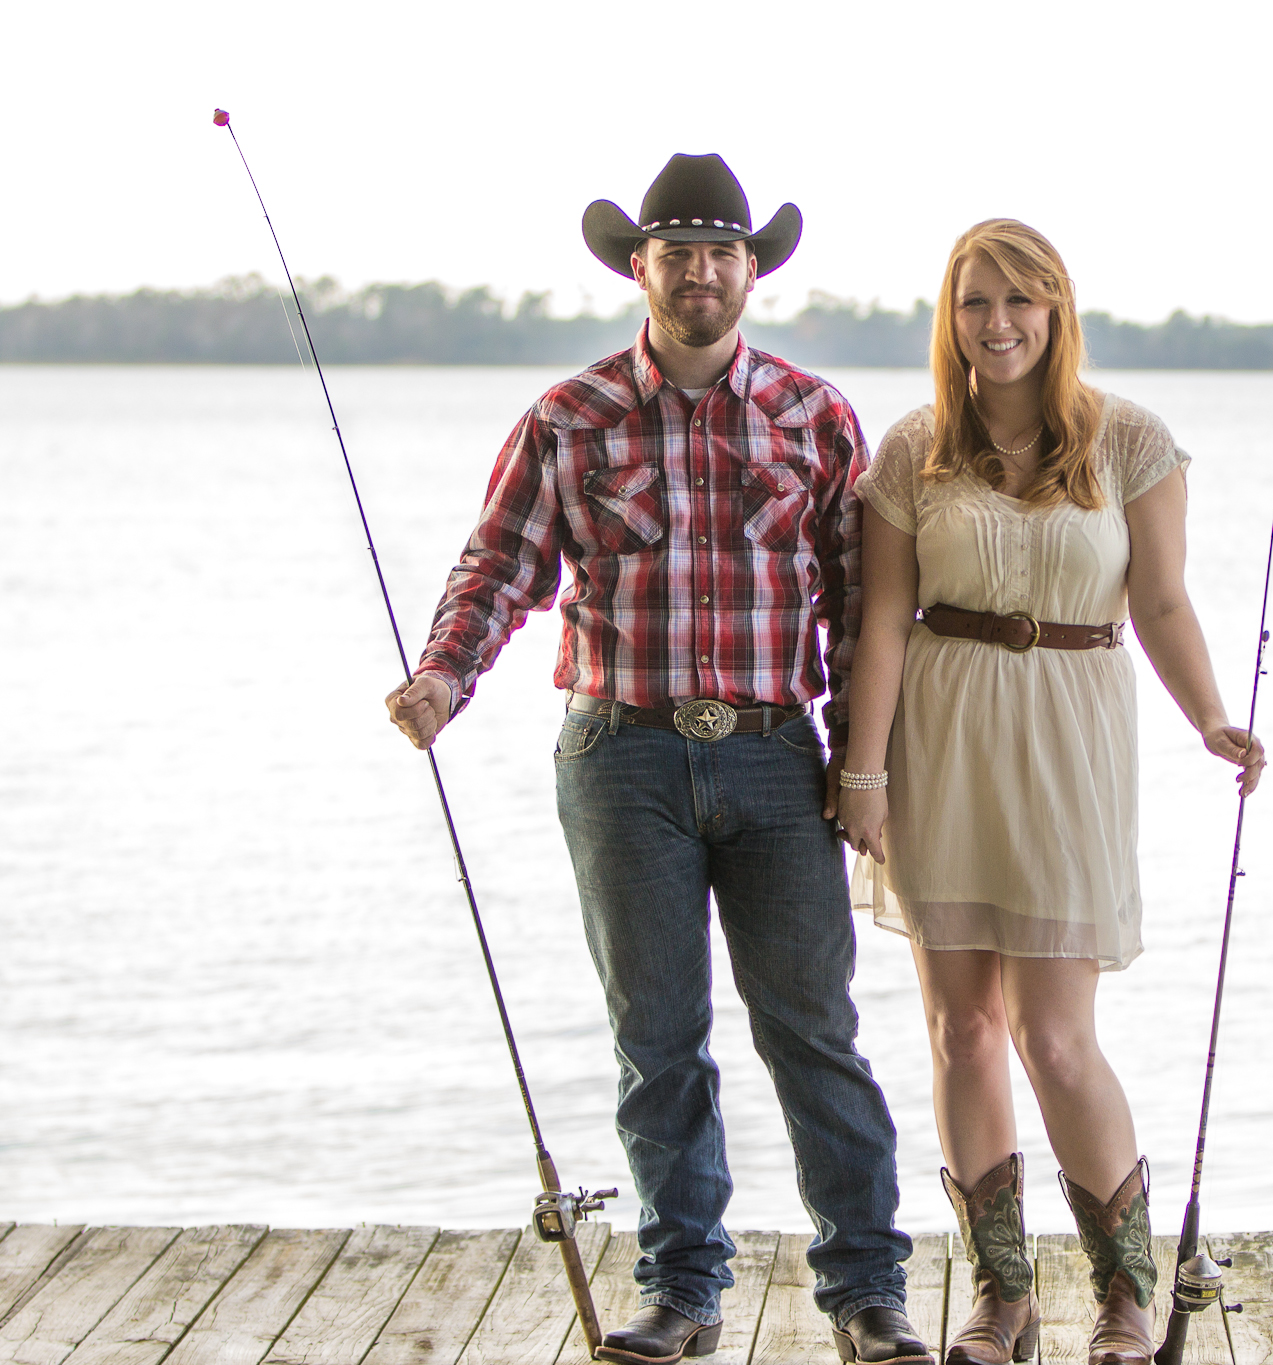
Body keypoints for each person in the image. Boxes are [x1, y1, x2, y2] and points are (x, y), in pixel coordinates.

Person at [385, 154, 930, 1365]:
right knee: (657, 1038)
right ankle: (681, 1287)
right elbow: (496, 571)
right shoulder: (568, 418)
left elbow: (856, 605)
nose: (699, 271)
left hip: (779, 761)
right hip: (618, 758)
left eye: (720, 252)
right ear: (638, 269)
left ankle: (866, 1293)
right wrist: (443, 676)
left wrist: (864, 766)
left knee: (814, 1031)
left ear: (751, 271)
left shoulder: (813, 413)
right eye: (675, 252)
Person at [836, 220, 1267, 1365]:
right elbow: (881, 620)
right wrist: (862, 773)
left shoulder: (1128, 441)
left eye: (1022, 300)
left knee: (1056, 1036)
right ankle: (1001, 1296)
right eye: (976, 302)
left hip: (1073, 729)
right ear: (951, 318)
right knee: (959, 1026)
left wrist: (1213, 717)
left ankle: (1124, 1295)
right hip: (940, 737)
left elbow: (1164, 604)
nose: (998, 323)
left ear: (1057, 311)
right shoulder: (910, 450)